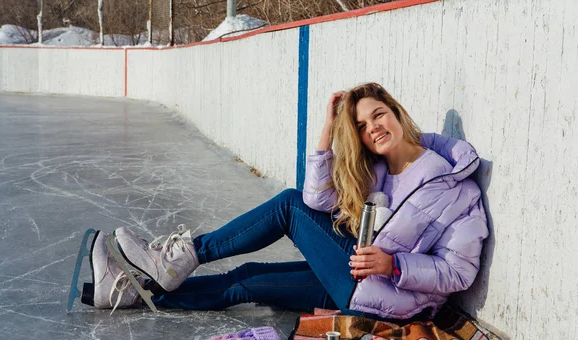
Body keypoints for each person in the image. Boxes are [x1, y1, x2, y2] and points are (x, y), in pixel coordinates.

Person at [81, 82, 488, 322]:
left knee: (288, 206)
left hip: (389, 294)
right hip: (356, 280)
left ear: (397, 112)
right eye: (362, 127)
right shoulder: (376, 170)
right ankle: (135, 292)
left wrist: (393, 264)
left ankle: (178, 259)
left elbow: (459, 272)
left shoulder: (455, 184)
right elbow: (318, 199)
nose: (374, 129)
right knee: (247, 279)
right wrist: (328, 133)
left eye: (379, 115)